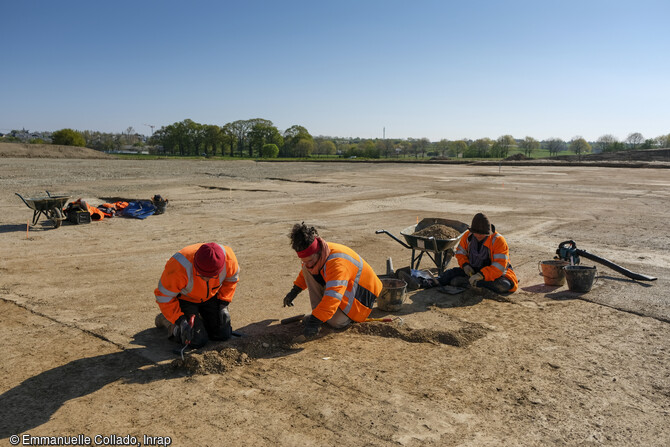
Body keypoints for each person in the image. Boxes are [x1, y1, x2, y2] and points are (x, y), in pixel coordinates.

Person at [283, 223, 383, 338]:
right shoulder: (320, 252)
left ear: (318, 252)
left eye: (310, 260)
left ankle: (321, 317)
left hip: (363, 298)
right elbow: (307, 271)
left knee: (336, 322)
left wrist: (314, 322)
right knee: (307, 269)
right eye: (304, 261)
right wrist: (295, 291)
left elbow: (333, 296)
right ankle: (319, 314)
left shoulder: (337, 263)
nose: (308, 264)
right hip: (348, 289)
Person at [154, 242, 239, 348]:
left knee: (223, 334)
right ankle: (168, 321)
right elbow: (164, 297)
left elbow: (231, 280)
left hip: (209, 296)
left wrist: (223, 305)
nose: (206, 279)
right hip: (185, 300)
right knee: (195, 340)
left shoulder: (229, 259)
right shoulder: (179, 266)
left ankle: (200, 321)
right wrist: (179, 320)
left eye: (211, 276)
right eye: (202, 275)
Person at [434, 213, 518, 294]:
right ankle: (432, 281)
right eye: (476, 233)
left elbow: (499, 267)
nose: (478, 235)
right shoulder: (467, 236)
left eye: (482, 233)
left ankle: (475, 283)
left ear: (488, 232)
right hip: (473, 270)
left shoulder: (498, 240)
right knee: (450, 274)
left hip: (496, 275)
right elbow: (460, 253)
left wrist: (481, 275)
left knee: (504, 285)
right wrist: (465, 265)